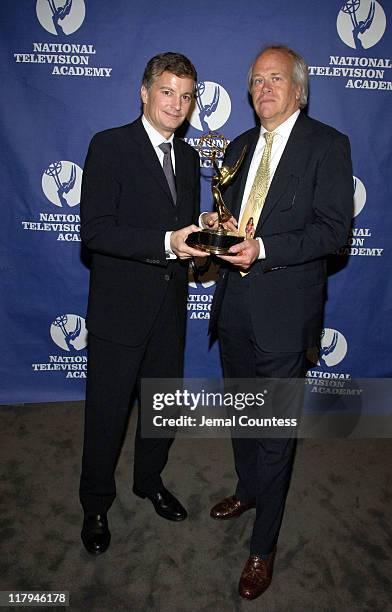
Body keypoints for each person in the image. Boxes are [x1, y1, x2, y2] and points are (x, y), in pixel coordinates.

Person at [203, 45, 353, 600]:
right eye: (257, 80)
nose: (265, 88)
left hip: (286, 317)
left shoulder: (328, 146)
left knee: (275, 432)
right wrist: (214, 227)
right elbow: (232, 220)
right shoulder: (240, 148)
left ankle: (262, 548)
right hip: (234, 310)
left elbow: (334, 232)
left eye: (276, 79)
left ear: (298, 89)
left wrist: (263, 247)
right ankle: (248, 489)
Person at [79, 52, 205, 555]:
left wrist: (201, 246)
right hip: (119, 309)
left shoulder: (192, 158)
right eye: (168, 92)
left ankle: (148, 481)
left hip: (170, 308)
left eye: (187, 95)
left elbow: (182, 229)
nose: (177, 104)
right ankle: (94, 503)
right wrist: (165, 243)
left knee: (162, 408)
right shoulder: (109, 146)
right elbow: (95, 231)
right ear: (145, 92)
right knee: (106, 414)